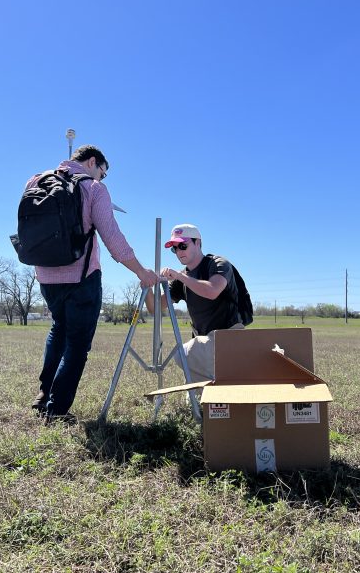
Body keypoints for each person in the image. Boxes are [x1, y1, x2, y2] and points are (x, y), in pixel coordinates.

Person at [29, 145, 158, 424]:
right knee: (77, 344)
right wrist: (140, 271)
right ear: (91, 162)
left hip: (46, 277)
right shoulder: (94, 188)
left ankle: (43, 396)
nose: (103, 178)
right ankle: (57, 409)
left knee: (58, 329)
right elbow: (113, 239)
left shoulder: (36, 180)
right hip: (81, 278)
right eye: (103, 172)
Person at [145, 223, 245, 383]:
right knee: (195, 398)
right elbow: (155, 308)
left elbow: (212, 291)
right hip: (204, 342)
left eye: (183, 246)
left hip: (228, 337)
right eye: (174, 248)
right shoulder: (181, 278)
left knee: (182, 354)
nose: (178, 252)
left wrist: (180, 276)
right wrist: (147, 285)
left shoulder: (218, 264)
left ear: (198, 242)